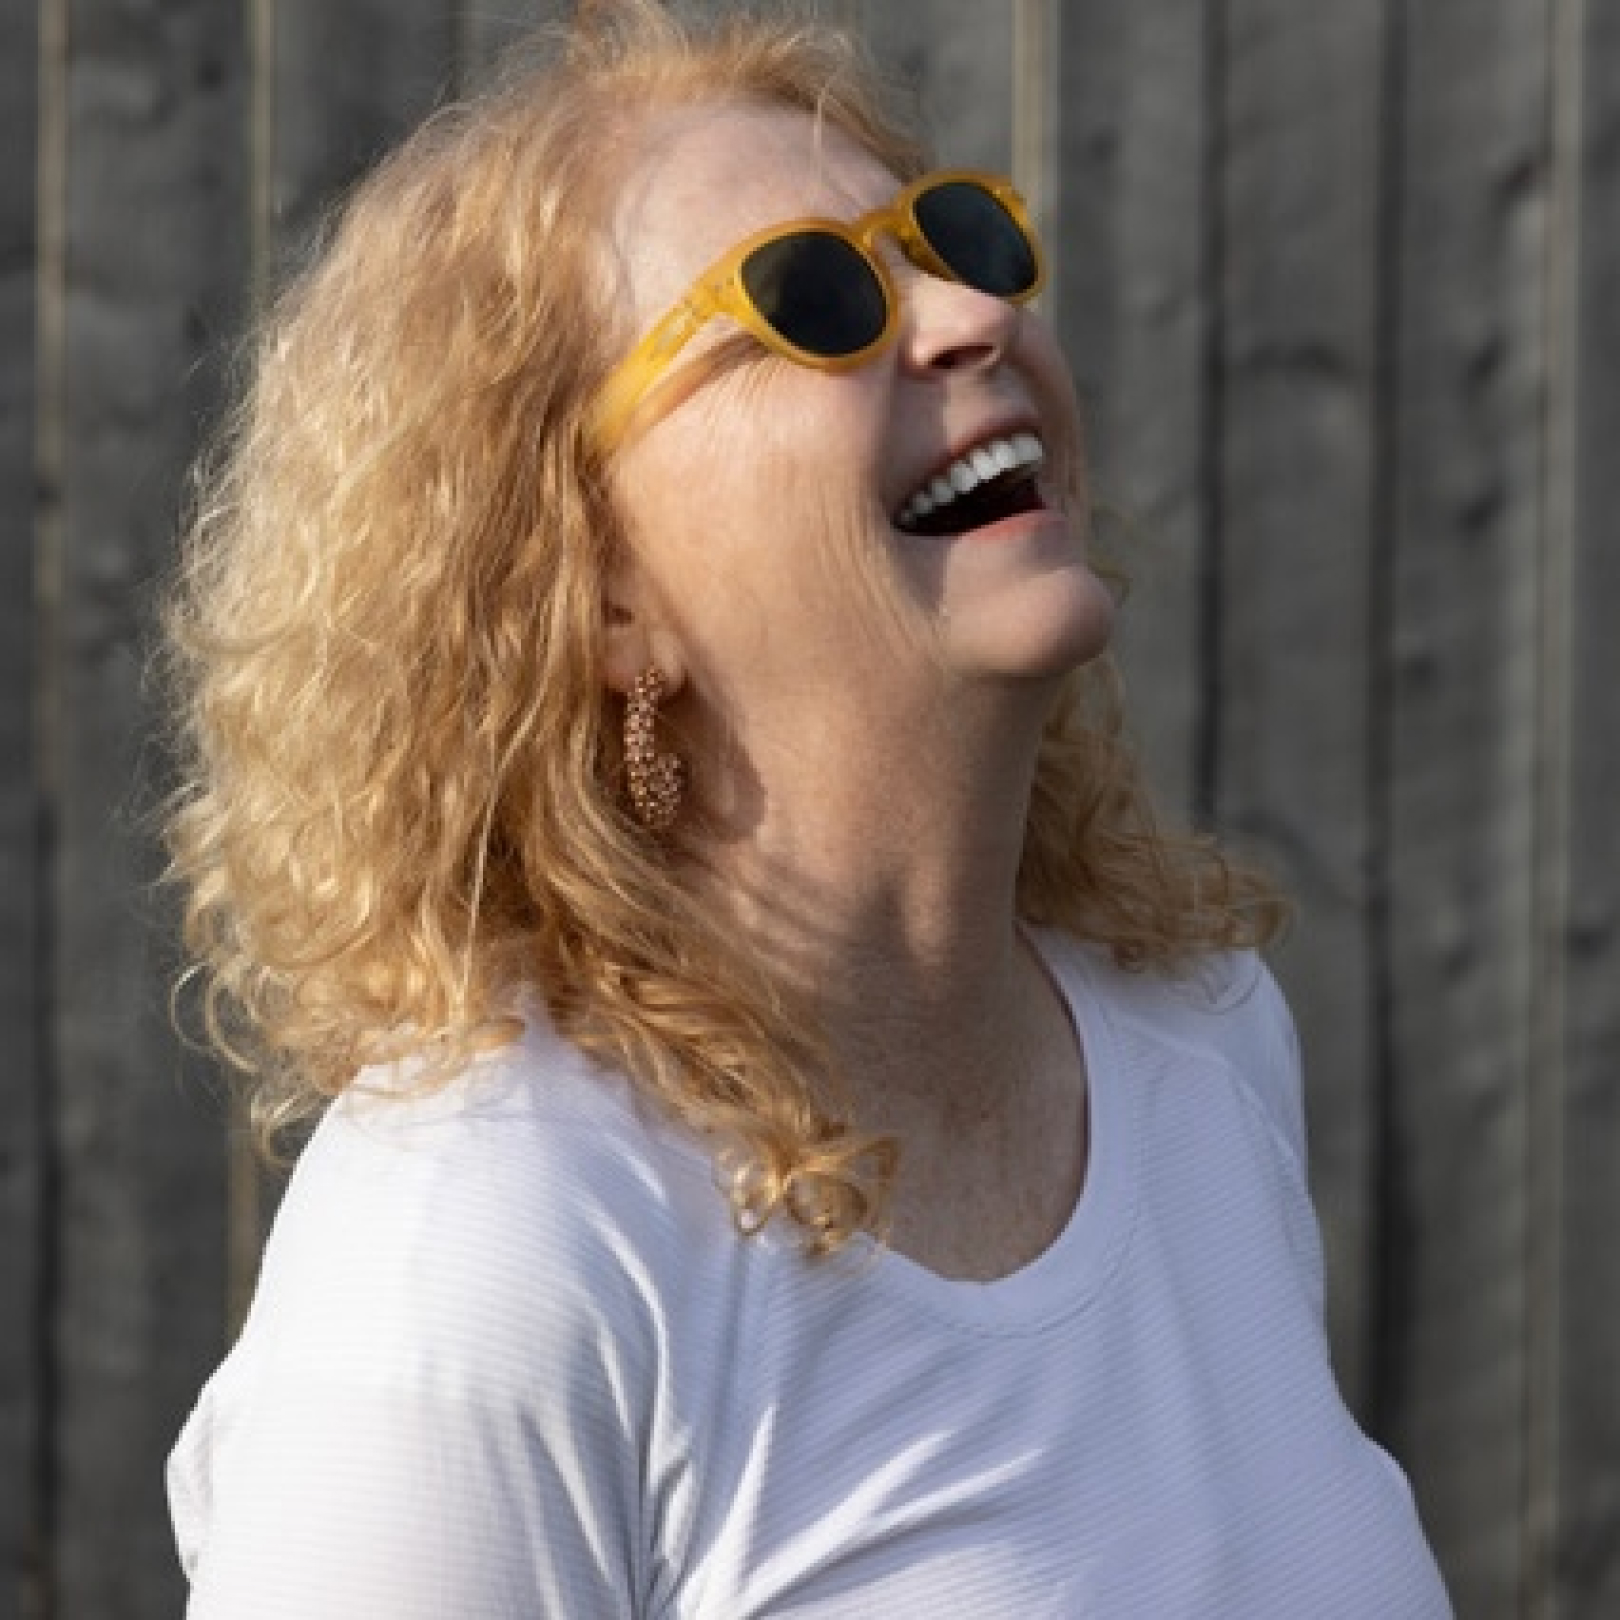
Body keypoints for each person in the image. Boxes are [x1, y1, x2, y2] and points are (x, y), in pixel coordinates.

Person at [161, 2, 1453, 1614]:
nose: (973, 311)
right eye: (815, 298)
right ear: (602, 589)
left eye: (953, 239)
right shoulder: (492, 1246)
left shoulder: (1201, 1042)